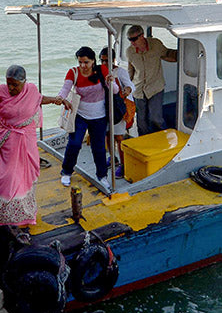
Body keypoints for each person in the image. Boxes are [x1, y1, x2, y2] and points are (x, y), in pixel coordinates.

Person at [0, 65, 70, 239]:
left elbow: (39, 99)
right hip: (4, 142)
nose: (11, 88)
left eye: (15, 85)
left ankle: (19, 216)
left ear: (24, 82)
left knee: (21, 180)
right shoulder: (1, 91)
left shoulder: (31, 89)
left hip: (26, 142)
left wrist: (56, 99)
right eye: (8, 84)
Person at [56, 46, 119, 191]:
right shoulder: (74, 72)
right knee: (75, 143)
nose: (83, 66)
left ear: (93, 61)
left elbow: (115, 91)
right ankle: (66, 171)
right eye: (80, 62)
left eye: (86, 62)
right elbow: (65, 88)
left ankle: (102, 176)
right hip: (80, 115)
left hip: (99, 116)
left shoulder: (102, 70)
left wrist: (111, 81)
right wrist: (60, 98)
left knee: (99, 148)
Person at [126, 25, 177, 136]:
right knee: (141, 123)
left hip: (155, 87)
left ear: (142, 36)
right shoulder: (130, 51)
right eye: (129, 40)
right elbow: (131, 70)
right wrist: (128, 86)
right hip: (138, 90)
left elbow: (167, 54)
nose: (132, 42)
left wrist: (184, 55)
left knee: (156, 119)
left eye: (134, 39)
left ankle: (162, 139)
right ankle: (145, 145)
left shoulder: (156, 44)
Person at [99, 47, 135, 179]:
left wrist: (128, 90)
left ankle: (123, 165)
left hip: (118, 108)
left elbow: (131, 85)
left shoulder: (120, 72)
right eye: (102, 61)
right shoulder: (99, 72)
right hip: (105, 108)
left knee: (119, 137)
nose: (103, 64)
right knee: (108, 134)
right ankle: (113, 158)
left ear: (112, 60)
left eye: (106, 61)